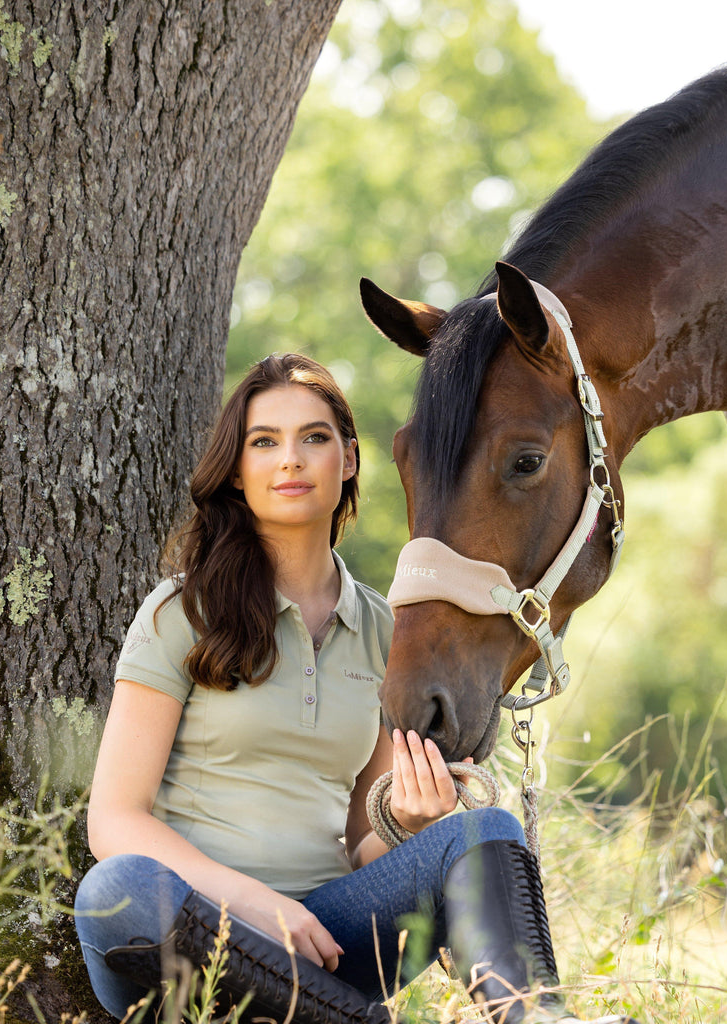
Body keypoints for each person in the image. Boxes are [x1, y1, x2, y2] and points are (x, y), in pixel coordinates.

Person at [74, 353, 622, 1024]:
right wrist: (251, 902)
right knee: (116, 889)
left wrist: (408, 824)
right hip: (190, 931)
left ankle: (533, 1014)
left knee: (483, 830)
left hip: (328, 937)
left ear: (351, 460)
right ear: (239, 472)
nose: (291, 459)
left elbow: (364, 841)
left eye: (314, 438)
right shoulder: (179, 613)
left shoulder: (388, 631)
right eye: (264, 442)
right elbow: (114, 821)